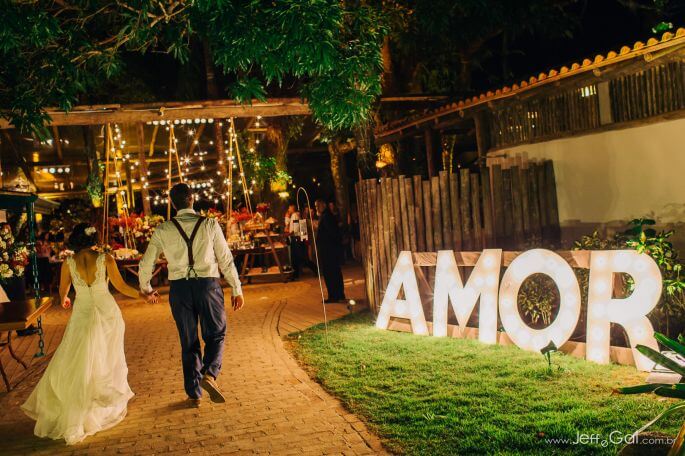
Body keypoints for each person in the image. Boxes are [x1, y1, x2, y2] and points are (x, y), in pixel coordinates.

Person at [21, 223, 157, 445]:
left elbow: (63, 289)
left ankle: (80, 407)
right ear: (94, 238)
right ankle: (97, 406)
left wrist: (65, 298)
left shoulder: (69, 262)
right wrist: (143, 295)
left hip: (82, 313)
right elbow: (121, 286)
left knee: (79, 358)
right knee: (105, 358)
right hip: (106, 313)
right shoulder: (105, 259)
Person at [139, 183, 244, 408]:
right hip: (207, 285)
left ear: (172, 203)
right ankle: (210, 375)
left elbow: (146, 262)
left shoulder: (163, 229)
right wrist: (236, 288)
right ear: (192, 199)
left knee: (188, 341)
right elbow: (225, 259)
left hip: (179, 289)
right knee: (216, 333)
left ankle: (194, 393)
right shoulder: (209, 224)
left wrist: (146, 288)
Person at [314, 199, 346, 303]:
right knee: (334, 272)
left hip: (329, 250)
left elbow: (332, 233)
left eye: (318, 206)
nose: (316, 208)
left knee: (331, 273)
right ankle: (338, 295)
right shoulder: (326, 216)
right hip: (329, 249)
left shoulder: (326, 216)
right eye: (315, 206)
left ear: (323, 205)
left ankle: (334, 295)